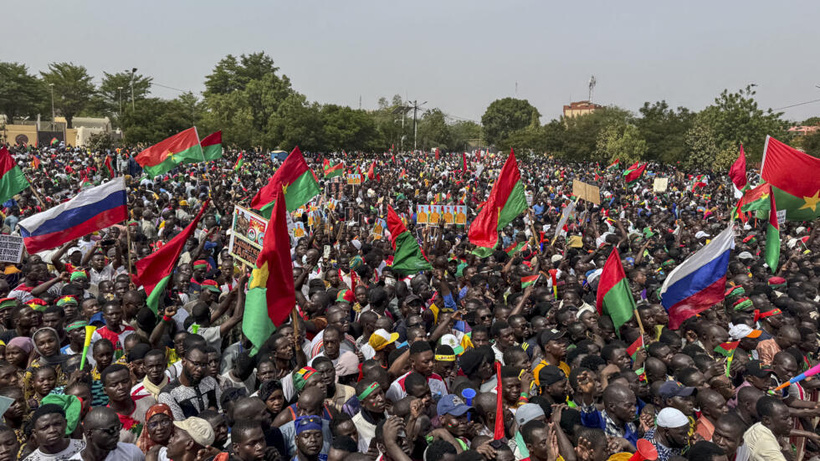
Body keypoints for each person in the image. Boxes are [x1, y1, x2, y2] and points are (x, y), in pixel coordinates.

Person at [158, 345, 221, 420]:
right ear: (184, 362)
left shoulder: (210, 382)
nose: (200, 369)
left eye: (203, 365)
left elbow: (221, 410)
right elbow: (181, 425)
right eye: (196, 364)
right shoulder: (168, 394)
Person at [102, 364, 156, 443]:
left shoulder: (149, 402)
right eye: (114, 385)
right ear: (105, 390)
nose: (121, 387)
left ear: (132, 381)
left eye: (125, 381)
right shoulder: (103, 421)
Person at [78, 407, 145, 461]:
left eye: (118, 428)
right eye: (110, 430)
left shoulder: (131, 453)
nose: (117, 434)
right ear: (90, 434)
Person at [743, 397, 792, 461]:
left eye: (790, 417)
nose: (791, 422)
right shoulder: (765, 443)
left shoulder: (762, 427)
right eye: (785, 419)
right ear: (767, 420)